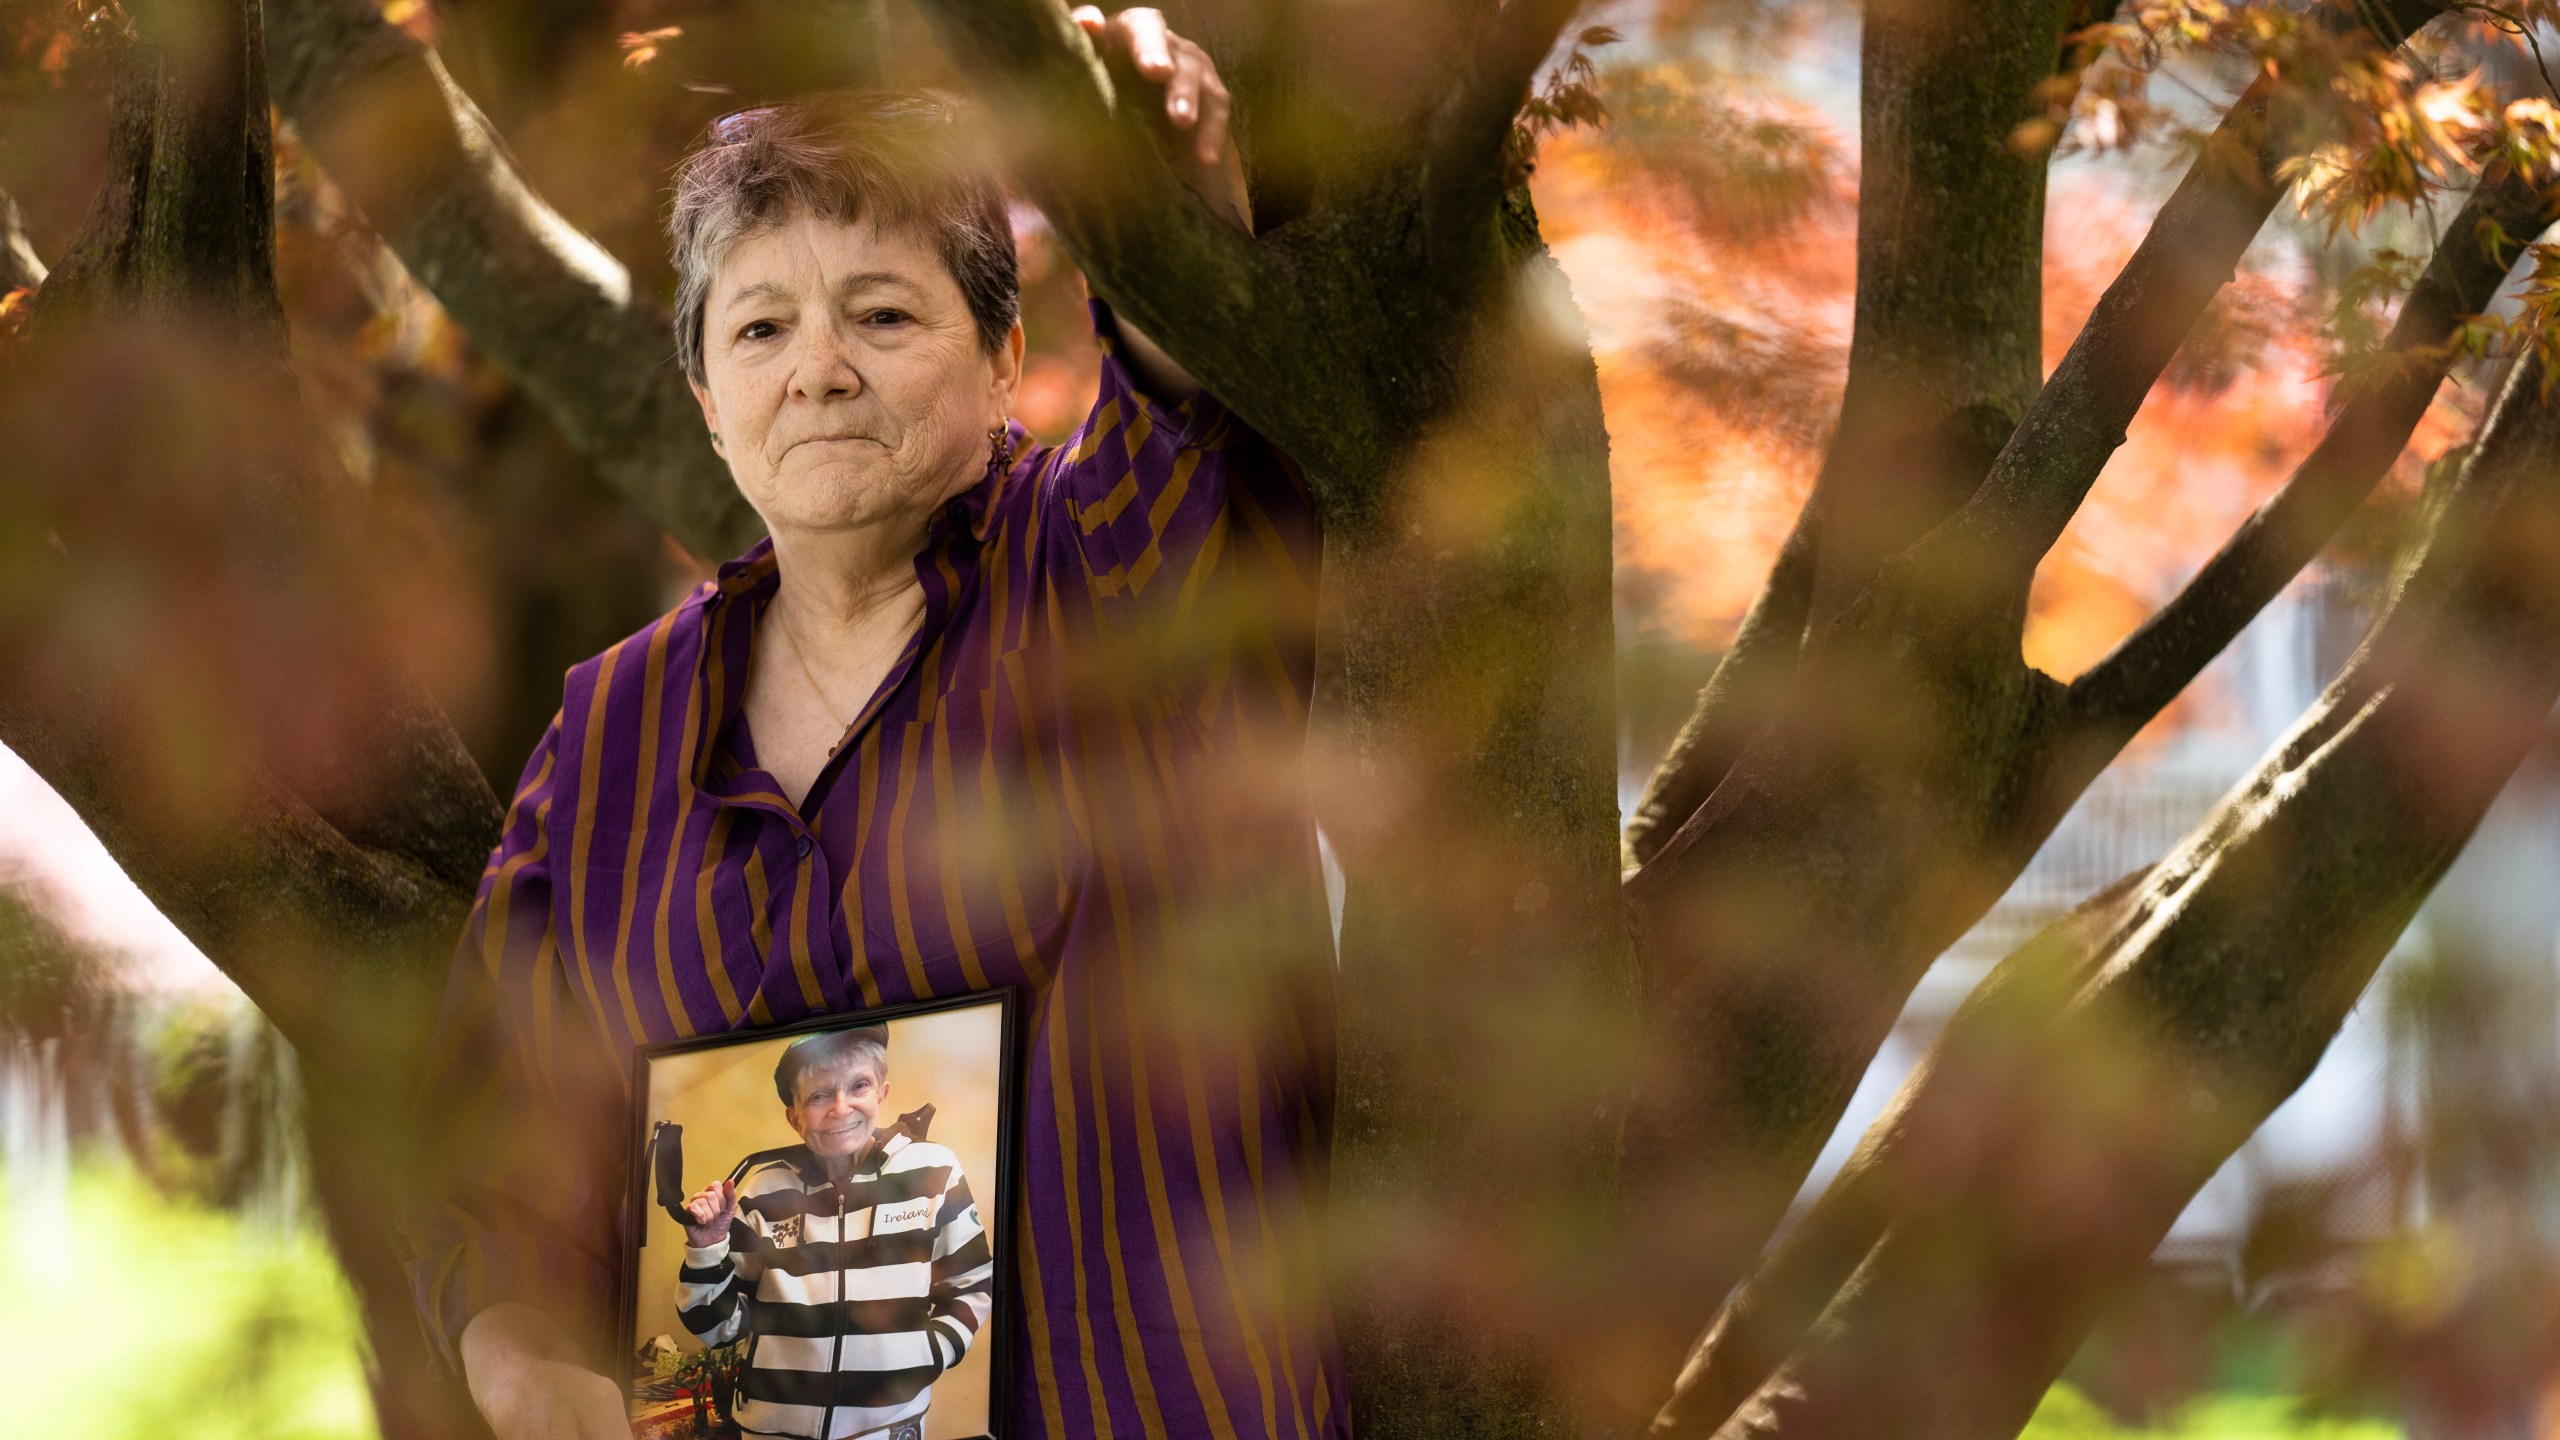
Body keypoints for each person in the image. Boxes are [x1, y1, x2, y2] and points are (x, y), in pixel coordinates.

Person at [403, 8, 1345, 1440]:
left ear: (1000, 350)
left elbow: (1181, 382)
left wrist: (1162, 180)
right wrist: (537, 1381)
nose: (820, 367)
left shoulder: (1106, 560)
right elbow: (494, 1163)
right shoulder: (607, 735)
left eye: (884, 314)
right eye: (763, 326)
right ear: (708, 401)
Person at [672, 1028, 992, 1440]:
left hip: (888, 1429)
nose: (841, 1109)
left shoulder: (936, 1171)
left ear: (881, 1093)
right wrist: (705, 1249)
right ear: (795, 1116)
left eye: (858, 1086)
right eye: (818, 1096)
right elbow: (717, 1329)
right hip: (769, 1430)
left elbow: (971, 1285)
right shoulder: (759, 1194)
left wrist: (925, 1356)